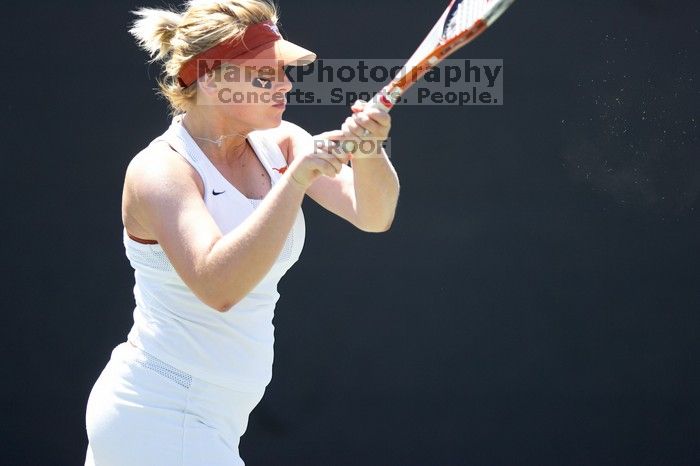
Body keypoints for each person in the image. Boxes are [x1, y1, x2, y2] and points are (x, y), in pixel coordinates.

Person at [84, 1, 400, 465]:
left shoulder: (284, 142)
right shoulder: (160, 170)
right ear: (211, 80)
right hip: (158, 413)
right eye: (264, 77)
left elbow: (373, 215)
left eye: (282, 73)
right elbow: (219, 286)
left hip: (216, 420)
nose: (285, 85)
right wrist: (295, 181)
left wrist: (370, 151)